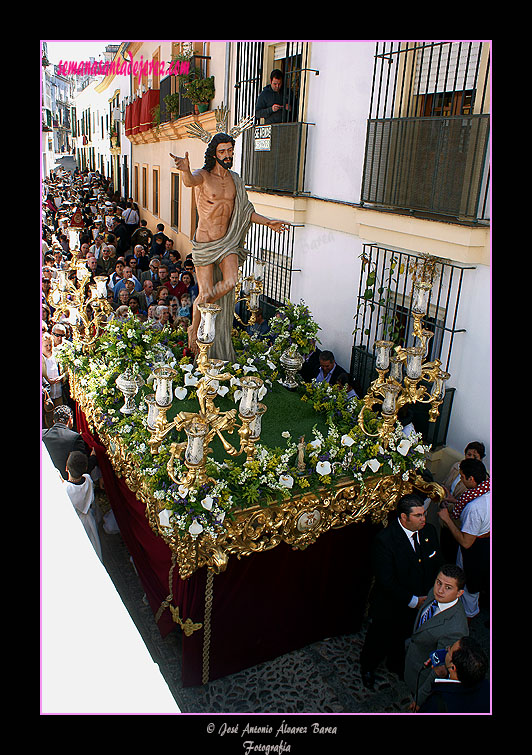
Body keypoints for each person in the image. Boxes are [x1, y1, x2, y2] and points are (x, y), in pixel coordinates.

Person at [170, 133, 289, 361]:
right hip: (205, 242)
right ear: (214, 153)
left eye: (230, 151)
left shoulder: (236, 180)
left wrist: (268, 222)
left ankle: (205, 309)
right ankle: (194, 329)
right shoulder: (203, 176)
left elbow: (245, 212)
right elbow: (189, 181)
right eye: (222, 151)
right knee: (204, 293)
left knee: (232, 282)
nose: (227, 155)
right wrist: (185, 169)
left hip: (228, 242)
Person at [359, 493, 443, 688]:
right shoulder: (385, 540)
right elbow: (386, 580)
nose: (423, 519)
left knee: (404, 635)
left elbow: (436, 562)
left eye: (423, 514)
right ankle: (368, 667)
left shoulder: (428, 531)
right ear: (404, 517)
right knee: (379, 637)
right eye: (418, 516)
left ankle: (395, 663)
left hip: (421, 601)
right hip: (392, 603)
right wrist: (414, 600)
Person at [403, 564, 469, 711]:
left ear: (459, 593)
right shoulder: (433, 594)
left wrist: (420, 698)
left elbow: (438, 670)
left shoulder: (455, 629)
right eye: (439, 583)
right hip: (411, 662)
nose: (440, 590)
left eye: (448, 587)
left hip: (422, 678)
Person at [438, 458, 490, 620]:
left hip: (474, 552)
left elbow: (466, 542)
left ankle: (465, 626)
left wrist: (447, 519)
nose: (460, 479)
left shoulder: (475, 509)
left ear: (471, 479)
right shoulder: (486, 489)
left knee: (469, 591)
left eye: (462, 477)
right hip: (485, 545)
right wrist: (456, 501)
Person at [419, 636, 489, 713]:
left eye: (450, 650)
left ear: (453, 667)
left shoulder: (437, 704)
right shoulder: (488, 688)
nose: (447, 648)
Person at [63, 450, 103, 561]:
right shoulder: (88, 479)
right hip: (89, 517)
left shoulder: (66, 489)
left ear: (66, 468)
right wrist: (93, 455)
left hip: (77, 521)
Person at [42, 405, 95, 480]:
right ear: (70, 419)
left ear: (54, 421)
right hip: (67, 484)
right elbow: (81, 469)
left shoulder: (42, 434)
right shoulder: (75, 438)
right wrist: (94, 457)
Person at [42, 332, 67, 426]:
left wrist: (62, 377)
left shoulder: (57, 355)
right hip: (48, 395)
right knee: (49, 416)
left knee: (60, 413)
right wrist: (47, 382)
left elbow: (66, 370)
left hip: (59, 391)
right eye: (46, 346)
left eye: (50, 345)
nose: (48, 348)